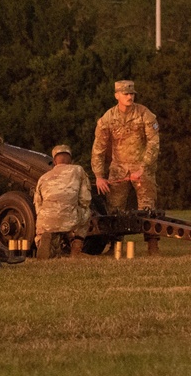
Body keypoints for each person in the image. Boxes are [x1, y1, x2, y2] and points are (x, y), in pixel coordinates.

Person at [91, 80, 161, 255]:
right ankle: (115, 246)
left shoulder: (145, 114)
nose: (129, 97)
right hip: (119, 169)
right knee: (114, 209)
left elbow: (154, 143)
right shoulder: (107, 118)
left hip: (142, 168)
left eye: (131, 94)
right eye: (125, 94)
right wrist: (99, 175)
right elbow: (98, 148)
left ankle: (152, 246)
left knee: (148, 208)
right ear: (117, 96)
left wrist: (144, 167)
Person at [34, 144, 92, 259]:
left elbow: (38, 205)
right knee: (87, 213)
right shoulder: (78, 170)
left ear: (54, 161)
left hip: (45, 220)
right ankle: (76, 250)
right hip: (69, 218)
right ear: (70, 160)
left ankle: (43, 243)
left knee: (48, 225)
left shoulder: (43, 177)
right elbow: (85, 200)